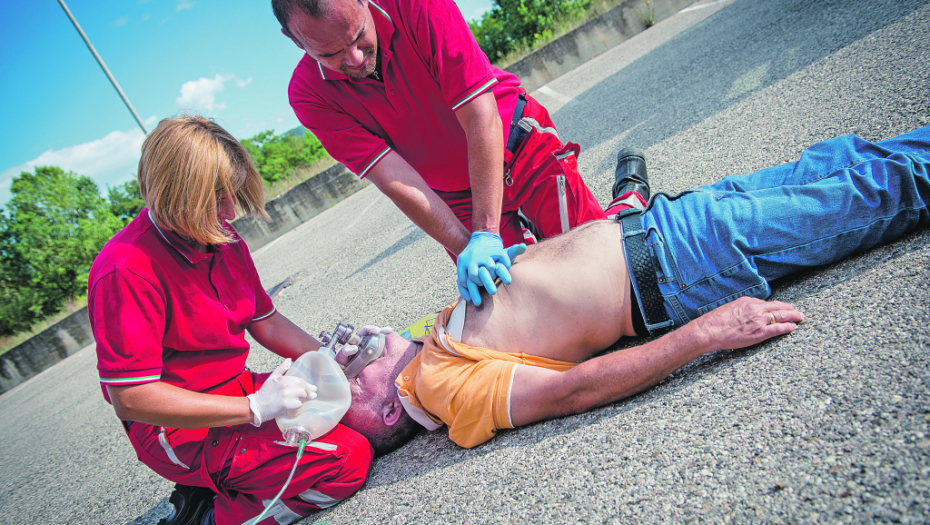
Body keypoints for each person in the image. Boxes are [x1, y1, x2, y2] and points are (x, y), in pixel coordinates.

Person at [335, 126, 930, 452]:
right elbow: (569, 392)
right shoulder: (445, 391)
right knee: (881, 191)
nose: (346, 356)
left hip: (660, 225)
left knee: (846, 161)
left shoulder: (430, 344)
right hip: (680, 264)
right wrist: (708, 333)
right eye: (349, 378)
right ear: (390, 407)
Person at [88, 117, 382, 525]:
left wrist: (331, 358)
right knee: (347, 460)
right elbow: (132, 397)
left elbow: (267, 322)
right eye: (217, 198)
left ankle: (219, 485)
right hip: (178, 429)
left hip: (238, 391)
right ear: (177, 196)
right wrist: (252, 407)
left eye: (233, 194)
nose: (231, 212)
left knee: (357, 412)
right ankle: (210, 516)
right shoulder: (126, 269)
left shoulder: (217, 236)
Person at [271, 0, 649, 305]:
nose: (354, 59)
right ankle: (587, 229)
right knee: (517, 305)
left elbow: (480, 116)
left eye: (358, 37)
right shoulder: (307, 94)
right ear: (294, 40)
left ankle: (627, 200)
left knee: (606, 273)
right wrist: (468, 247)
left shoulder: (418, 6)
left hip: (519, 146)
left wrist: (486, 234)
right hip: (454, 197)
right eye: (331, 54)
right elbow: (395, 178)